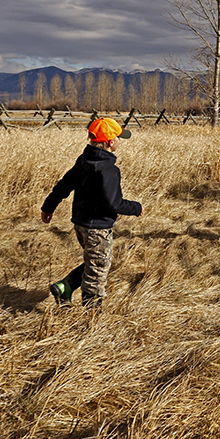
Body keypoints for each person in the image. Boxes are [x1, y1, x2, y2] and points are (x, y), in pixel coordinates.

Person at [41, 117, 142, 307]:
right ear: (111, 142)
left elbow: (64, 185)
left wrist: (48, 206)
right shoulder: (110, 170)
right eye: (119, 138)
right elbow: (115, 204)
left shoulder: (83, 161)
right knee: (98, 270)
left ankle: (65, 287)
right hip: (98, 229)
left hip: (80, 224)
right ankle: (91, 319)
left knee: (95, 261)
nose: (120, 141)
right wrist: (136, 208)